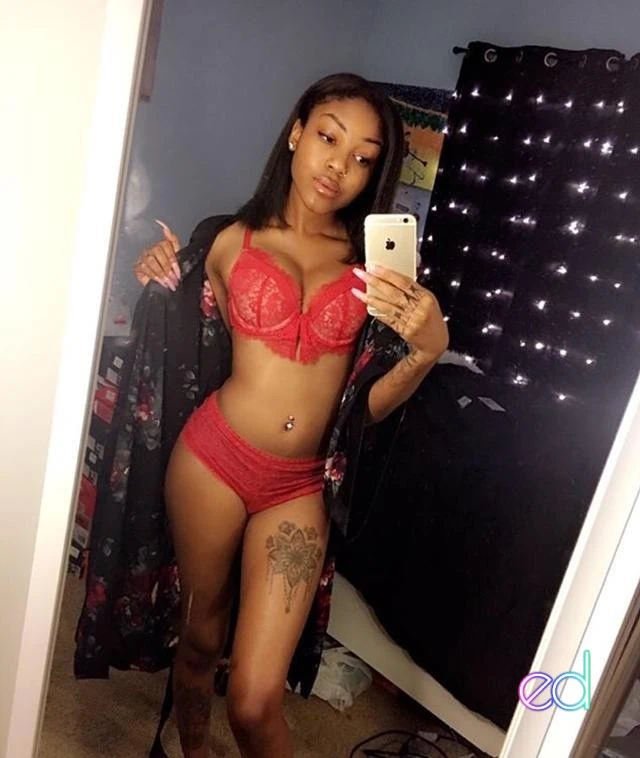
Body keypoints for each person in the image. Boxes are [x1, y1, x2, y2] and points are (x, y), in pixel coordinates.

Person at [128, 72, 447, 758]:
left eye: (362, 157)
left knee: (253, 699)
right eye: (328, 137)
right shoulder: (228, 239)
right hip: (212, 461)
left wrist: (426, 352)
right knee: (200, 637)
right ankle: (190, 749)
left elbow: (361, 413)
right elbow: (178, 329)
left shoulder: (374, 274)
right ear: (297, 133)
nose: (338, 165)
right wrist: (156, 270)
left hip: (297, 487)